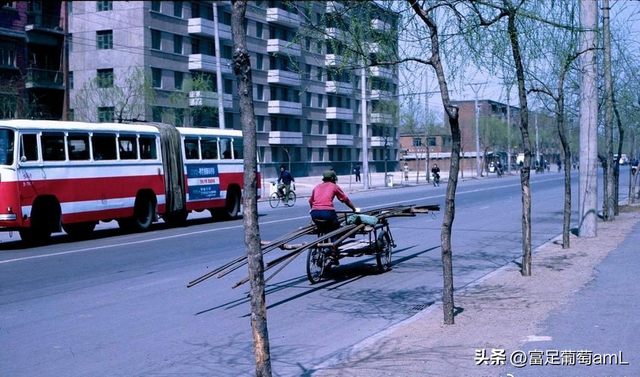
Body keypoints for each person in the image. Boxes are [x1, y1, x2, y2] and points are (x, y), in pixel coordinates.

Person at [309, 170, 357, 265]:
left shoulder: (317, 187)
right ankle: (332, 251)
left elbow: (310, 201)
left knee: (323, 228)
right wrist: (354, 209)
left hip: (314, 213)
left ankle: (324, 247)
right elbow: (345, 199)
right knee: (336, 230)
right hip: (327, 213)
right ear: (333, 179)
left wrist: (315, 211)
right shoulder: (334, 186)